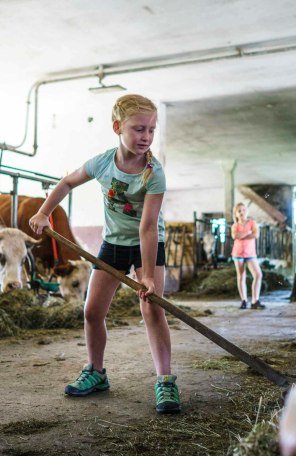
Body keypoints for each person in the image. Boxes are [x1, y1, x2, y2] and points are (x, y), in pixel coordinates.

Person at [29, 94, 180, 414]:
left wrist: (149, 276)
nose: (147, 137)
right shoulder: (102, 163)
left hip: (148, 246)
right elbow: (68, 182)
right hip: (112, 245)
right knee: (92, 311)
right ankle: (96, 372)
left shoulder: (154, 173)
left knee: (152, 310)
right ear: (117, 127)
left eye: (152, 130)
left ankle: (165, 381)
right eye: (139, 129)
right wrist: (44, 212)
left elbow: (148, 227)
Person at [231, 202, 265, 310]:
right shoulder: (235, 226)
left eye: (243, 210)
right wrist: (248, 233)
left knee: (258, 274)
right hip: (238, 253)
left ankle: (255, 301)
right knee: (241, 276)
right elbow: (235, 236)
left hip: (250, 254)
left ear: (247, 211)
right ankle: (244, 300)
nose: (241, 212)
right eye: (239, 211)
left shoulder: (252, 222)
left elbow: (256, 235)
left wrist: (243, 234)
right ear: (236, 214)